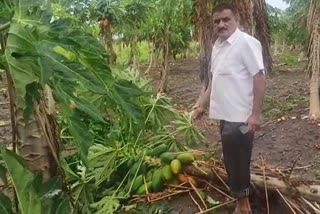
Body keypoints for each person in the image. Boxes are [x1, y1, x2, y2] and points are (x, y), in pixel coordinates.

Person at [192, 3, 266, 214]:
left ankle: (244, 207)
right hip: (225, 115)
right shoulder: (218, 46)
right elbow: (215, 81)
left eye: (226, 19)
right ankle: (245, 198)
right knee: (231, 159)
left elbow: (259, 78)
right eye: (217, 21)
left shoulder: (246, 43)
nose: (221, 24)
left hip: (241, 117)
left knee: (238, 160)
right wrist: (202, 105)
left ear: (236, 20)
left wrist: (255, 114)